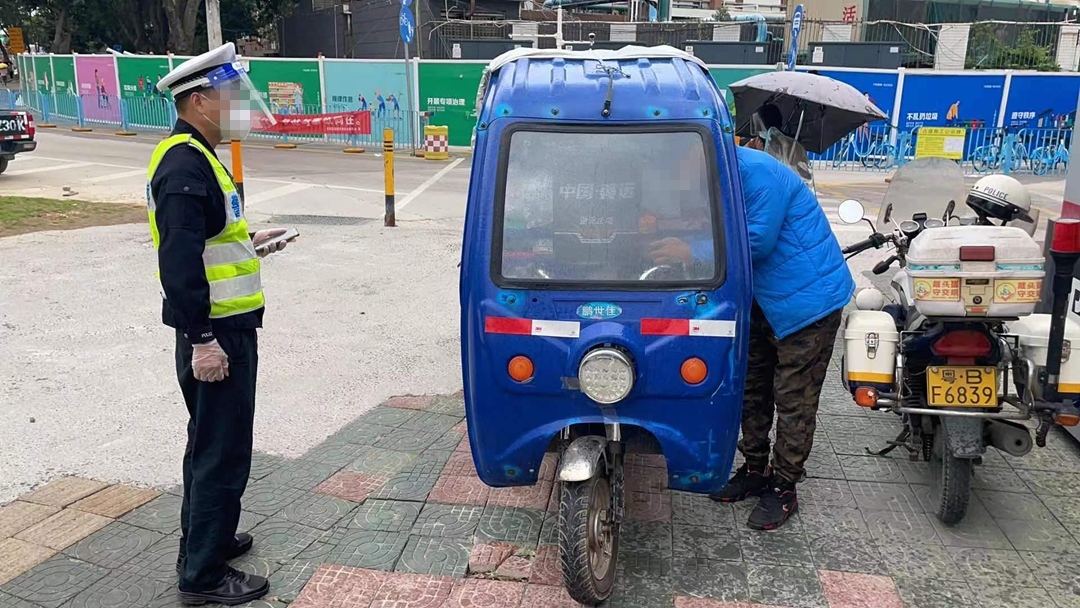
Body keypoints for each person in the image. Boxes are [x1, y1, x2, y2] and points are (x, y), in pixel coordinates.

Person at [148, 42, 288, 605]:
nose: (238, 108)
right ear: (200, 100)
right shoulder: (183, 162)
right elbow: (178, 263)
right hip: (215, 335)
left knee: (215, 443)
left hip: (228, 328)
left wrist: (250, 244)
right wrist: (203, 340)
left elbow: (207, 241)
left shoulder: (198, 155)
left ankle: (212, 540)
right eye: (230, 98)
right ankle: (202, 577)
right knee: (220, 451)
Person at [705, 128, 854, 531]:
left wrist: (692, 251)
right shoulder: (714, 173)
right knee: (750, 389)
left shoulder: (759, 173)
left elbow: (755, 243)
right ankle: (754, 468)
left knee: (793, 398)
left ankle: (784, 486)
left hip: (809, 305)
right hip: (762, 302)